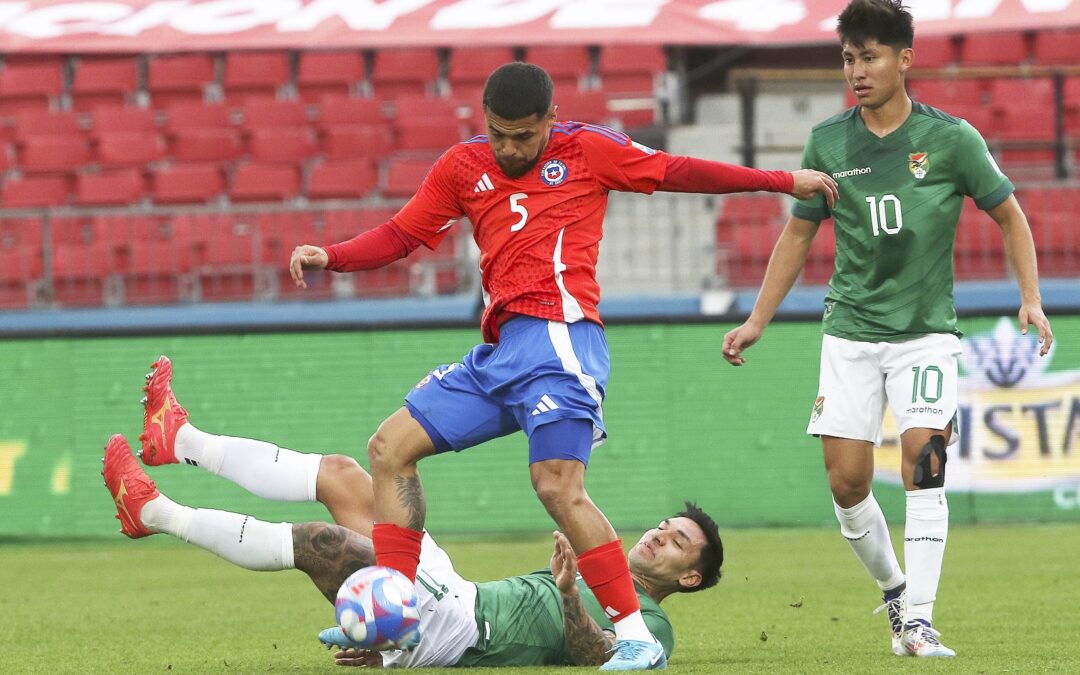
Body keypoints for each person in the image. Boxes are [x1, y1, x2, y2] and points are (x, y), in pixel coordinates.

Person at [274, 62, 835, 670]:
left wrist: (781, 180)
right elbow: (402, 233)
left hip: (561, 342)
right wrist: (331, 255)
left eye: (524, 134)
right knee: (389, 448)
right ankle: (398, 613)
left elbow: (678, 171)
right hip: (499, 353)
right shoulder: (463, 166)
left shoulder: (589, 150)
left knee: (556, 485)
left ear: (549, 118)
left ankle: (636, 637)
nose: (510, 148)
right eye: (499, 133)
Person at [721, 0, 1054, 659]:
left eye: (869, 56)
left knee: (925, 461)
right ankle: (896, 591)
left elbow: (1011, 216)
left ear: (905, 59)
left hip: (927, 332)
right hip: (850, 331)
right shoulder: (828, 141)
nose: (857, 70)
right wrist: (758, 318)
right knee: (847, 481)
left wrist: (1032, 299)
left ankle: (922, 620)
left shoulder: (953, 139)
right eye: (848, 58)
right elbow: (797, 231)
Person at [103, 357, 725, 668]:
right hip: (457, 593)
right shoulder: (608, 562)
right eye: (664, 527)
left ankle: (155, 514)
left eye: (675, 544)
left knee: (324, 542)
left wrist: (566, 592)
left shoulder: (651, 629)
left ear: (690, 578)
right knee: (347, 475)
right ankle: (180, 442)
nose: (656, 537)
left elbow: (592, 655)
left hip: (460, 635)